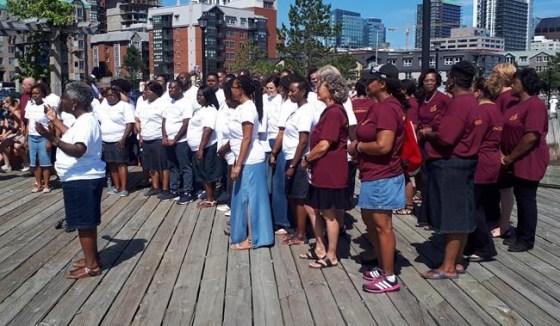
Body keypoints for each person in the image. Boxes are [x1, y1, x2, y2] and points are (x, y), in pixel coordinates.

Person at [419, 61, 485, 279]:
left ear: (454, 80)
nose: (446, 81)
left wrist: (428, 133)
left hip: (451, 165)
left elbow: (447, 138)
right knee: (462, 215)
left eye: (448, 78)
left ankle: (447, 267)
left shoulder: (458, 104)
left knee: (452, 217)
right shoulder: (473, 102)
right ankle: (456, 262)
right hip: (465, 163)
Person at [35, 81, 106, 279]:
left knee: (84, 223)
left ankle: (92, 266)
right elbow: (72, 136)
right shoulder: (83, 120)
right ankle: (91, 257)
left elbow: (78, 150)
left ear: (73, 103)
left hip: (81, 178)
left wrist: (52, 138)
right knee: (87, 222)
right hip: (81, 177)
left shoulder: (85, 122)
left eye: (64, 98)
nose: (61, 100)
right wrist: (55, 120)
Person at [348, 63, 406, 293]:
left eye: (371, 79)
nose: (365, 82)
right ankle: (383, 266)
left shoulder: (387, 108)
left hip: (383, 175)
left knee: (383, 226)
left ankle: (390, 277)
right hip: (373, 173)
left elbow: (384, 146)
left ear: (382, 83)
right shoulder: (379, 106)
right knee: (370, 219)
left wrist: (358, 147)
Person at [300, 71, 349, 269]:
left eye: (320, 86)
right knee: (311, 206)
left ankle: (331, 255)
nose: (316, 88)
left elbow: (324, 145)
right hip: (322, 169)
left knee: (329, 213)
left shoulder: (335, 112)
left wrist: (306, 159)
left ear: (331, 91)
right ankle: (320, 247)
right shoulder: (328, 111)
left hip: (330, 170)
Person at [501, 68, 550, 252]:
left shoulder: (535, 105)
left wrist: (510, 157)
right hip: (514, 160)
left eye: (516, 81)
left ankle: (526, 239)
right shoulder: (515, 104)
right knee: (519, 196)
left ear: (524, 84)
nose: (512, 84)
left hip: (529, 159)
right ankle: (520, 232)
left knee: (526, 198)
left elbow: (531, 136)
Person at [228, 75, 274, 250]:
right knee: (243, 198)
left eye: (233, 87)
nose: (231, 90)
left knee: (250, 199)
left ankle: (252, 238)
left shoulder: (247, 108)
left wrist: (238, 164)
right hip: (243, 159)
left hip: (250, 160)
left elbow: (247, 138)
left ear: (240, 89)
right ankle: (245, 234)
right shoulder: (242, 108)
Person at [463, 77, 503, 262]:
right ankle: (472, 243)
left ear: (478, 91)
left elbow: (474, 138)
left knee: (472, 206)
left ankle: (484, 247)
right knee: (480, 204)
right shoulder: (496, 109)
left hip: (480, 160)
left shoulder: (482, 111)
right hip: (493, 159)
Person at [416, 69, 451, 228]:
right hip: (423, 142)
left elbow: (449, 119)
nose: (429, 83)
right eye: (426, 80)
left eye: (432, 80)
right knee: (424, 180)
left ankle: (435, 217)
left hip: (436, 143)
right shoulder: (422, 98)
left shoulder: (443, 99)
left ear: (437, 81)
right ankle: (425, 214)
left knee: (434, 180)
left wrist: (432, 131)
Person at [281, 75, 314, 245]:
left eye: (293, 91)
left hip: (299, 160)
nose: (290, 94)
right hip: (290, 157)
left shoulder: (306, 112)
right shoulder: (297, 110)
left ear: (302, 92)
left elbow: (303, 141)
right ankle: (297, 231)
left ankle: (301, 235)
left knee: (300, 198)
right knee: (292, 196)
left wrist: (293, 165)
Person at [490, 63, 518, 238]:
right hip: (495, 147)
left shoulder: (507, 97)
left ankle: (504, 224)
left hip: (502, 149)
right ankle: (497, 219)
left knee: (505, 188)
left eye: (495, 73)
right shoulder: (500, 96)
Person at [269, 75, 297, 234]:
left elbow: (281, 131)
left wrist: (274, 152)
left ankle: (282, 221)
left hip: (282, 146)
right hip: (292, 146)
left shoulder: (286, 104)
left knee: (279, 185)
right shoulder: (298, 104)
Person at [96, 86, 135, 196]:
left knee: (121, 163)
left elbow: (130, 124)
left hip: (119, 139)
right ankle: (117, 186)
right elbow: (98, 122)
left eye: (113, 94)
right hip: (105, 140)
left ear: (118, 95)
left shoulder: (124, 106)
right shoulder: (102, 106)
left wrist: (123, 139)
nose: (110, 97)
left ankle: (124, 188)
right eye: (108, 95)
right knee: (111, 163)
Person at [162, 79, 195, 203]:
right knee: (172, 166)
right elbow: (164, 121)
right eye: (169, 88)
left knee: (185, 166)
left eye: (172, 88)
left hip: (181, 141)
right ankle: (174, 189)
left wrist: (175, 139)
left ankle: (187, 191)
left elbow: (186, 124)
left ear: (180, 89)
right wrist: (164, 137)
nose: (170, 90)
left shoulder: (186, 103)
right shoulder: (169, 102)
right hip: (168, 140)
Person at [188, 86, 221, 207]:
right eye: (197, 95)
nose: (198, 97)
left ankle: (210, 199)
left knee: (207, 174)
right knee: (202, 173)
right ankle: (208, 196)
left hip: (207, 148)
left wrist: (201, 148)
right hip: (197, 148)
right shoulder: (201, 109)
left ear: (208, 96)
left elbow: (208, 130)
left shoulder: (210, 110)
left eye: (201, 95)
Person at [135, 81, 169, 197]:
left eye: (149, 90)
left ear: (156, 92)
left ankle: (165, 187)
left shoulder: (163, 104)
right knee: (151, 165)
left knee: (162, 165)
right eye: (146, 90)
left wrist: (165, 137)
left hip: (158, 138)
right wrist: (140, 135)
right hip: (146, 138)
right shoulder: (143, 104)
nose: (146, 92)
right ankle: (155, 187)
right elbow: (138, 119)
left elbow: (166, 121)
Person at [395, 79, 420, 215]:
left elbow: (412, 125)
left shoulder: (410, 104)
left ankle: (409, 205)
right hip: (405, 142)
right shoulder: (411, 103)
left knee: (405, 176)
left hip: (406, 143)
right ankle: (406, 202)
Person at [25, 84, 52, 193]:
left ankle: (46, 184)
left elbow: (51, 124)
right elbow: (28, 123)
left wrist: (50, 139)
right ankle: (38, 183)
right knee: (34, 162)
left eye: (37, 93)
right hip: (32, 136)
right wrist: (26, 139)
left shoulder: (47, 105)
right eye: (33, 94)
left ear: (42, 94)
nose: (35, 96)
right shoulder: (29, 105)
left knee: (45, 161)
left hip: (44, 136)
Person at [0, 97, 23, 172]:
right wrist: (3, 134)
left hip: (17, 133)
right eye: (4, 102)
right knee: (2, 143)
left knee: (4, 144)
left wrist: (6, 135)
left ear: (11, 103)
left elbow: (16, 126)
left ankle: (8, 164)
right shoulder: (5, 113)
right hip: (10, 132)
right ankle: (7, 164)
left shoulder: (15, 111)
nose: (4, 103)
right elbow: (5, 126)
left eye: (7, 102)